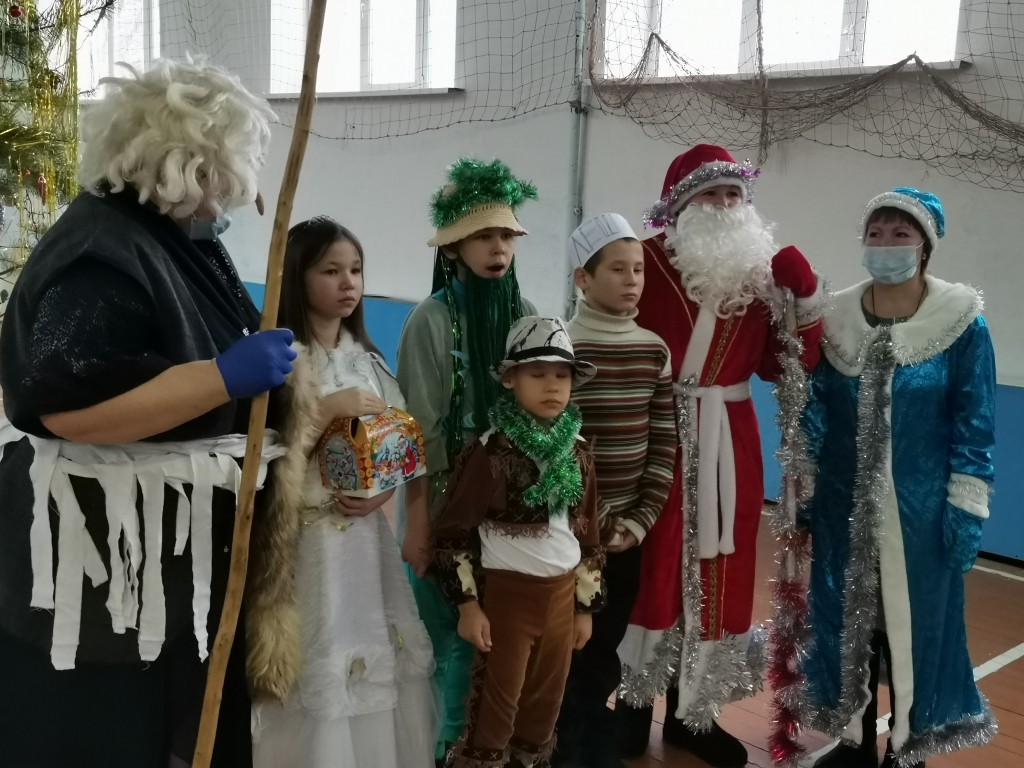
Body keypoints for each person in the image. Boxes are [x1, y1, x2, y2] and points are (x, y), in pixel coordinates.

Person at [0, 59, 307, 767]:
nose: (229, 193)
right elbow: (68, 405)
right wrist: (220, 377)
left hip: (169, 571)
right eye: (220, 174)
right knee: (111, 739)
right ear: (185, 165)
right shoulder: (101, 253)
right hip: (104, 579)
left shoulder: (172, 237)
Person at [614, 144, 825, 768]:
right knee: (650, 567)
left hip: (731, 441)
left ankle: (694, 714)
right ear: (679, 206)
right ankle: (632, 706)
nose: (725, 204)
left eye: (735, 194)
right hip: (656, 433)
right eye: (711, 194)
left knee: (721, 571)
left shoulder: (762, 279)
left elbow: (791, 367)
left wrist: (806, 298)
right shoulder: (643, 262)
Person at [798, 187, 996, 768]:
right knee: (845, 623)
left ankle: (908, 746)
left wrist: (965, 507)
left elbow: (975, 421)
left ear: (924, 247)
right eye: (876, 233)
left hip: (922, 516)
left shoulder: (961, 323)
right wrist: (805, 489)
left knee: (918, 627)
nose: (885, 244)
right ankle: (852, 740)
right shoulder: (836, 319)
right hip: (842, 510)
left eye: (900, 234)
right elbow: (815, 410)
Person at [251, 217, 437, 767]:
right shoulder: (280, 361)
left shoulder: (369, 361)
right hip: (306, 546)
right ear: (297, 276)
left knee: (373, 656)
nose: (348, 282)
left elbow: (402, 446)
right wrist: (328, 407)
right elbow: (266, 457)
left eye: (355, 270)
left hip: (363, 543)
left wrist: (381, 495)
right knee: (317, 659)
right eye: (330, 271)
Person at [397, 157, 538, 764]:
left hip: (509, 510)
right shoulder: (429, 321)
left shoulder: (525, 314)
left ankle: (479, 747)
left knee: (493, 640)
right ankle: (442, 748)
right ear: (453, 247)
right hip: (445, 507)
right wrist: (419, 524)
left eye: (506, 234)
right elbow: (419, 434)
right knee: (448, 639)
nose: (497, 247)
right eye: (483, 236)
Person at [431, 316, 604, 768]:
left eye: (562, 375)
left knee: (544, 707)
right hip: (508, 599)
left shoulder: (578, 451)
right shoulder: (491, 452)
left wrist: (584, 608)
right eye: (538, 373)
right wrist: (468, 606)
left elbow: (587, 534)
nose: (552, 385)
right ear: (510, 380)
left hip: (561, 599)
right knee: (496, 708)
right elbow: (453, 534)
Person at [553, 213, 677, 768]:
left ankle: (591, 736)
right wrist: (596, 520)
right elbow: (558, 442)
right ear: (583, 278)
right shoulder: (566, 347)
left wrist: (638, 521)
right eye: (618, 270)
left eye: (639, 270)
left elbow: (664, 442)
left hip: (627, 535)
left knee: (605, 641)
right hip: (572, 532)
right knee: (566, 641)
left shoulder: (653, 349)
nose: (633, 281)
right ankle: (560, 741)